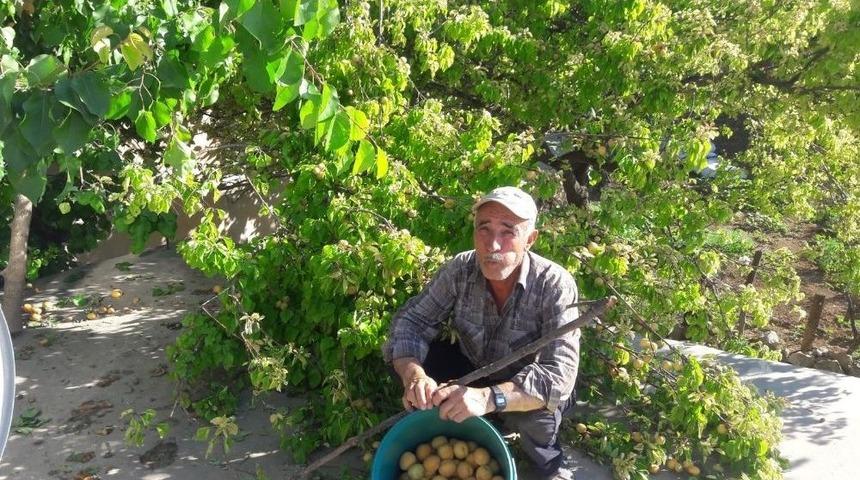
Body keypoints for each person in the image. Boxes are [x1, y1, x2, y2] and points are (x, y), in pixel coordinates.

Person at [383, 186, 581, 480]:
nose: (493, 245)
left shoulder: (554, 284)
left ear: (530, 239)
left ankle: (549, 464)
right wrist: (415, 377)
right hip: (474, 367)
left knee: (539, 413)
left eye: (508, 232)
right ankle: (458, 422)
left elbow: (558, 378)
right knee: (407, 358)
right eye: (484, 229)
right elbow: (411, 322)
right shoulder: (461, 269)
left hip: (522, 382)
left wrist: (487, 399)